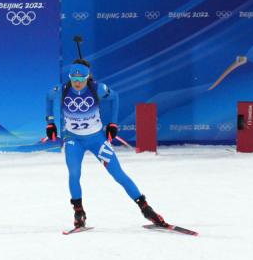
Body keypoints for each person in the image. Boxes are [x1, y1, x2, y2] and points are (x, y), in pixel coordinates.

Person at [45, 61, 167, 230]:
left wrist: (113, 124)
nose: (78, 82)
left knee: (118, 174)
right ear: (70, 77)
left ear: (87, 77)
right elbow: (48, 97)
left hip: (97, 141)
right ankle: (79, 212)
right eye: (74, 78)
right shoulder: (62, 90)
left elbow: (115, 97)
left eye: (81, 78)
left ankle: (146, 209)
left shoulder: (98, 89)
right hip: (74, 140)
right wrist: (50, 123)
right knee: (74, 173)